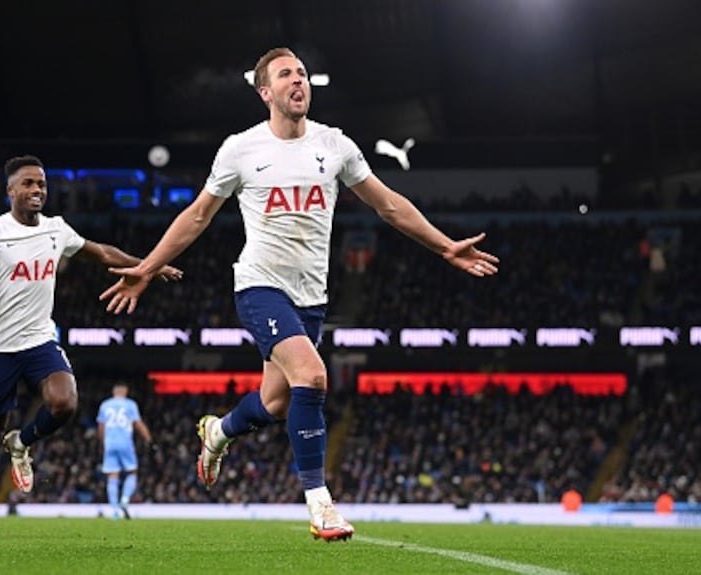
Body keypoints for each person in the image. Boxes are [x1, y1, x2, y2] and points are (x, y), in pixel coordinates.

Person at [100, 47, 500, 542]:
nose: (298, 81)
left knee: (274, 403)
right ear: (265, 91)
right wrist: (146, 267)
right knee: (312, 375)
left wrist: (444, 247)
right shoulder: (240, 149)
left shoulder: (334, 145)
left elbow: (389, 205)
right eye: (286, 75)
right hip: (259, 285)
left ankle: (217, 432)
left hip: (311, 297)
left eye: (303, 74)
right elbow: (198, 215)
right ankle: (321, 505)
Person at [0, 154, 180, 538]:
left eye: (41, 183)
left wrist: (148, 267)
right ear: (10, 191)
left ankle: (22, 443)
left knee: (65, 402)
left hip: (40, 340)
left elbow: (102, 253)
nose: (37, 190)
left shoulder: (56, 229)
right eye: (28, 184)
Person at [97, 381, 152, 519]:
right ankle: (125, 499)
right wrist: (148, 438)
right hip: (125, 442)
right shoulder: (130, 404)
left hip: (109, 443)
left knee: (112, 475)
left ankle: (114, 511)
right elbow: (138, 423)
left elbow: (101, 427)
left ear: (114, 392)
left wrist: (102, 443)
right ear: (125, 391)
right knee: (132, 471)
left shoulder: (105, 405)